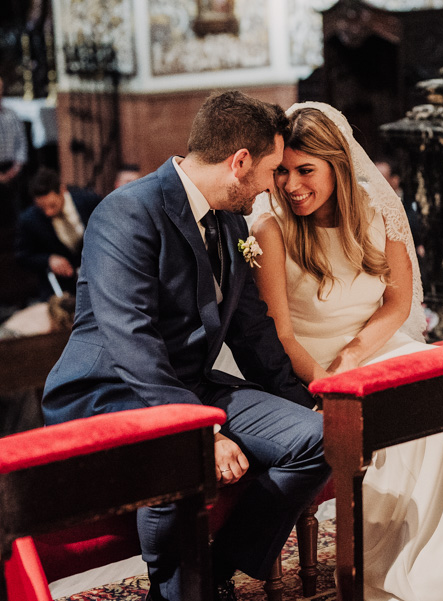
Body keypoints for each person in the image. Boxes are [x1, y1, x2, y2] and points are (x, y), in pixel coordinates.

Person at [41, 90, 331, 601]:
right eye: (269, 173)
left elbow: (252, 330)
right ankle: (177, 591)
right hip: (112, 392)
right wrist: (202, 429)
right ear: (240, 163)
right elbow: (132, 340)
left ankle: (215, 569)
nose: (271, 190)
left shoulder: (231, 219)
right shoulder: (127, 212)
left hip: (194, 384)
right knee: (183, 459)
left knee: (319, 437)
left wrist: (297, 396)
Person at [248, 102, 443, 601]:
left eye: (306, 170)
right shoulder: (271, 228)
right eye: (284, 172)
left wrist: (357, 353)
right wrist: (334, 382)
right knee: (400, 419)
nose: (293, 185)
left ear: (337, 165)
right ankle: (391, 566)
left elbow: (398, 302)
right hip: (312, 367)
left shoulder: (375, 212)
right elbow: (281, 336)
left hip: (372, 347)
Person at [14, 166, 101, 299]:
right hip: (59, 288)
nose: (48, 212)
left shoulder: (90, 201)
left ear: (62, 190)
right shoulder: (29, 219)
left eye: (52, 205)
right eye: (42, 208)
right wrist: (48, 259)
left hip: (97, 278)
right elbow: (22, 256)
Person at [0, 76, 29, 225]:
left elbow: (22, 143)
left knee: (16, 211)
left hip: (12, 168)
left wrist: (16, 167)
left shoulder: (11, 114)